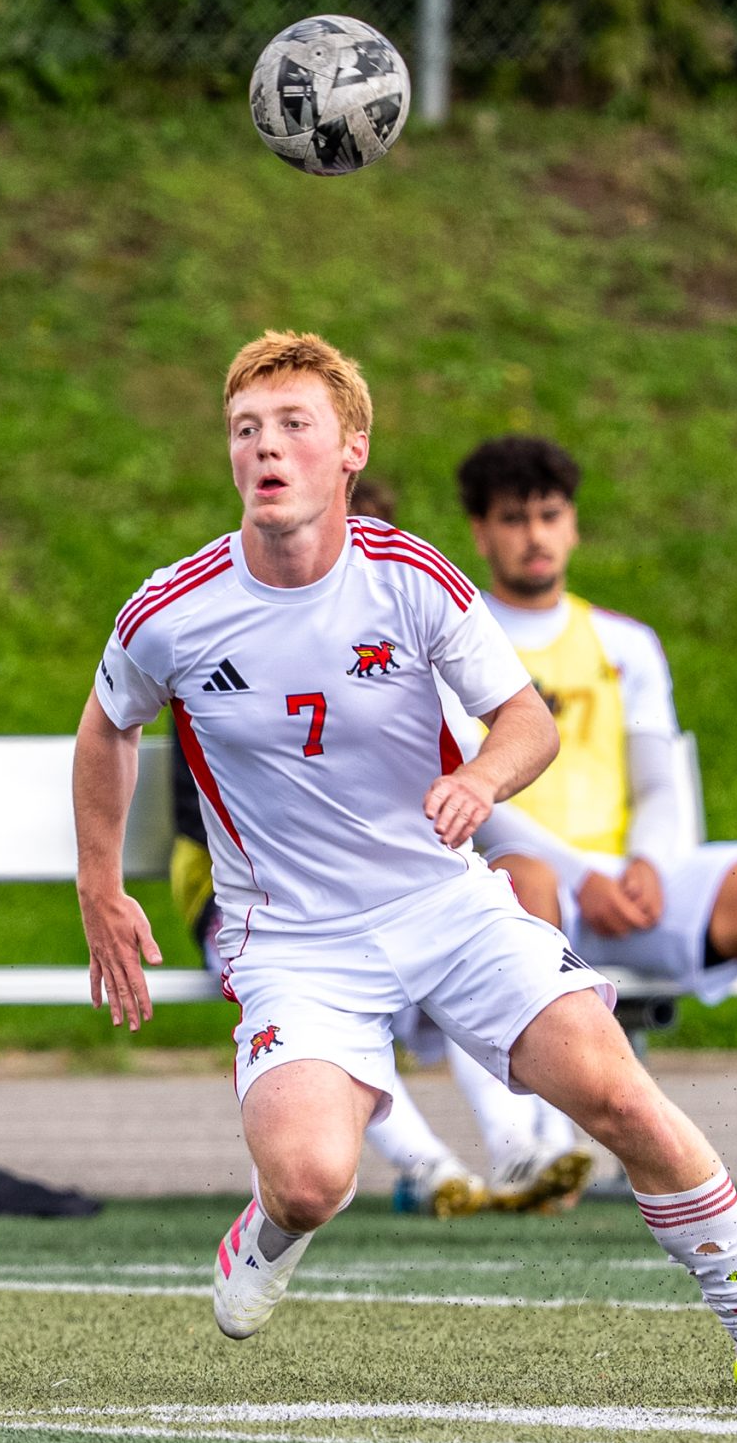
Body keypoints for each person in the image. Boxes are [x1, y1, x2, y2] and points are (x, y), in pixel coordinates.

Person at [72, 333, 737, 1395]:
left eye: (293, 426)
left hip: (445, 906)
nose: (265, 448)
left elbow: (525, 721)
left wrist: (482, 782)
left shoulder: (410, 581)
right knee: (313, 1182)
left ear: (349, 450)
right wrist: (100, 888)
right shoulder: (172, 608)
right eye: (245, 430)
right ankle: (270, 1232)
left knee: (621, 1098)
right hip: (297, 942)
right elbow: (106, 727)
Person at [453, 436, 737, 1209]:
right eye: (513, 518)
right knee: (519, 881)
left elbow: (658, 782)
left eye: (550, 515)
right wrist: (583, 876)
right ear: (480, 532)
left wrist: (649, 864)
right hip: (528, 891)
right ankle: (544, 1158)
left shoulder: (626, 643)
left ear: (574, 526)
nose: (534, 534)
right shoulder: (457, 638)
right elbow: (476, 795)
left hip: (630, 888)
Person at [167, 479, 587, 1218]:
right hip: (264, 905)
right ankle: (429, 1166)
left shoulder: (400, 637)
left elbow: (468, 770)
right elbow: (203, 801)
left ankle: (518, 1145)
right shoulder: (223, 638)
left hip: (391, 890)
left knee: (469, 939)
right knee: (338, 1000)